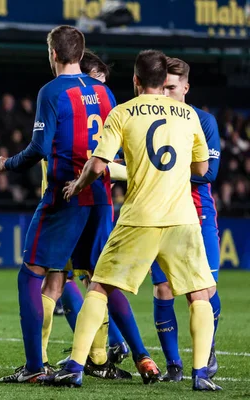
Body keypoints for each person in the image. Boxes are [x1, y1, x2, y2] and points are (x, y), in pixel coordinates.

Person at [45, 50, 220, 391]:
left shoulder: (123, 113)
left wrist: (78, 184)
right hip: (182, 219)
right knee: (199, 294)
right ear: (162, 81)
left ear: (136, 81)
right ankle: (201, 375)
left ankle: (76, 367)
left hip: (140, 217)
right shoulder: (189, 115)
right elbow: (202, 170)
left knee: (99, 287)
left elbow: (97, 165)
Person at [0, 26, 128, 384]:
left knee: (32, 274)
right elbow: (113, 148)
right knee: (95, 280)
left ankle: (36, 366)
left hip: (65, 194)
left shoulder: (51, 92)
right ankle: (99, 358)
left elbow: (39, 148)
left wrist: (7, 164)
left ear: (53, 53)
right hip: (101, 196)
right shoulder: (105, 91)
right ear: (81, 54)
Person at [52, 50, 154, 373]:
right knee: (79, 278)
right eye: (97, 79)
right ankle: (104, 354)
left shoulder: (64, 98)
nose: (98, 88)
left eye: (102, 82)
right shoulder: (95, 100)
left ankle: (123, 351)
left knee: (88, 279)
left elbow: (99, 164)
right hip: (85, 197)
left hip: (80, 198)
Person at [151, 57, 222, 382]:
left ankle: (206, 354)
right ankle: (175, 365)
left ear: (186, 87)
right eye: (162, 86)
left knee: (205, 290)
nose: (166, 93)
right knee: (163, 288)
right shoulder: (151, 120)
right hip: (158, 213)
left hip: (197, 212)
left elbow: (211, 173)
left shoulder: (203, 121)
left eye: (172, 87)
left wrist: (163, 171)